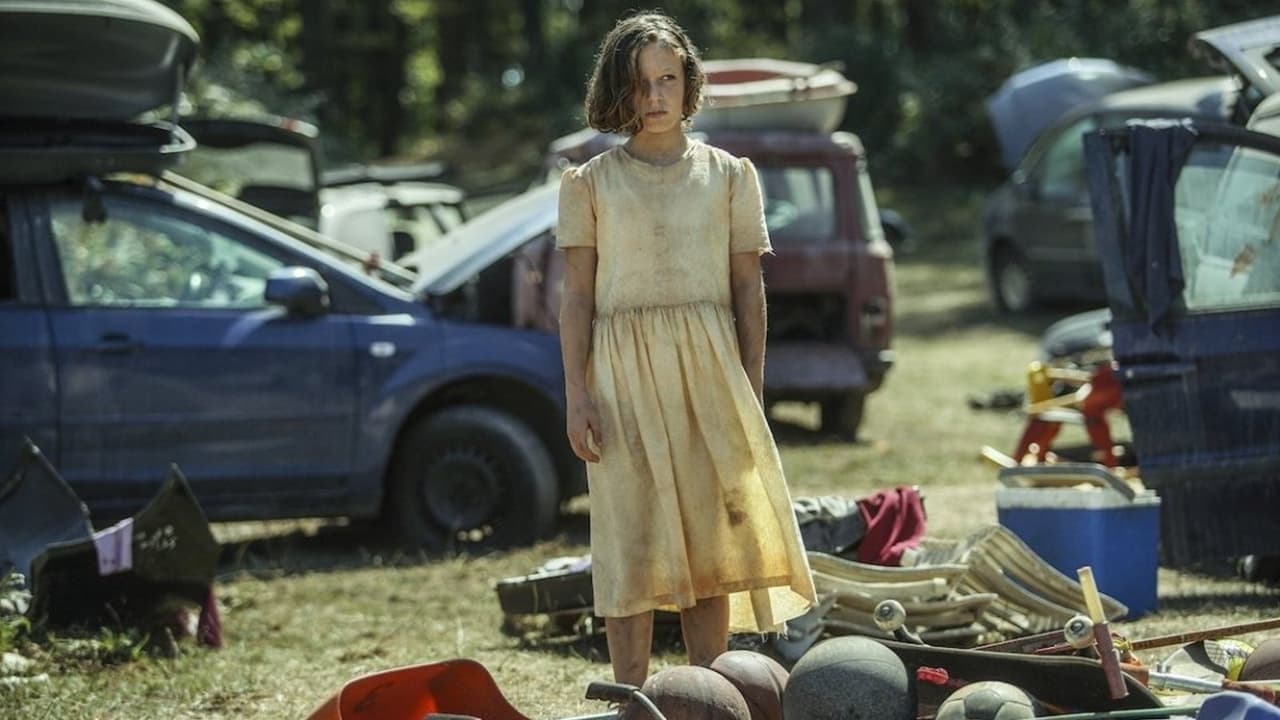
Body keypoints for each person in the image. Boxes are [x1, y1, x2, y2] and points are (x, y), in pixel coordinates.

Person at [556, 11, 817, 686]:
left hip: (710, 373)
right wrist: (577, 393)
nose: (655, 96)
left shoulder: (729, 176)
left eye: (667, 79)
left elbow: (747, 290)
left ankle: (710, 693)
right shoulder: (590, 183)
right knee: (629, 539)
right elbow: (577, 297)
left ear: (688, 82)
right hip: (620, 378)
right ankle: (630, 697)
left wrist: (750, 390)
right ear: (618, 89)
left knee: (710, 543)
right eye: (640, 83)